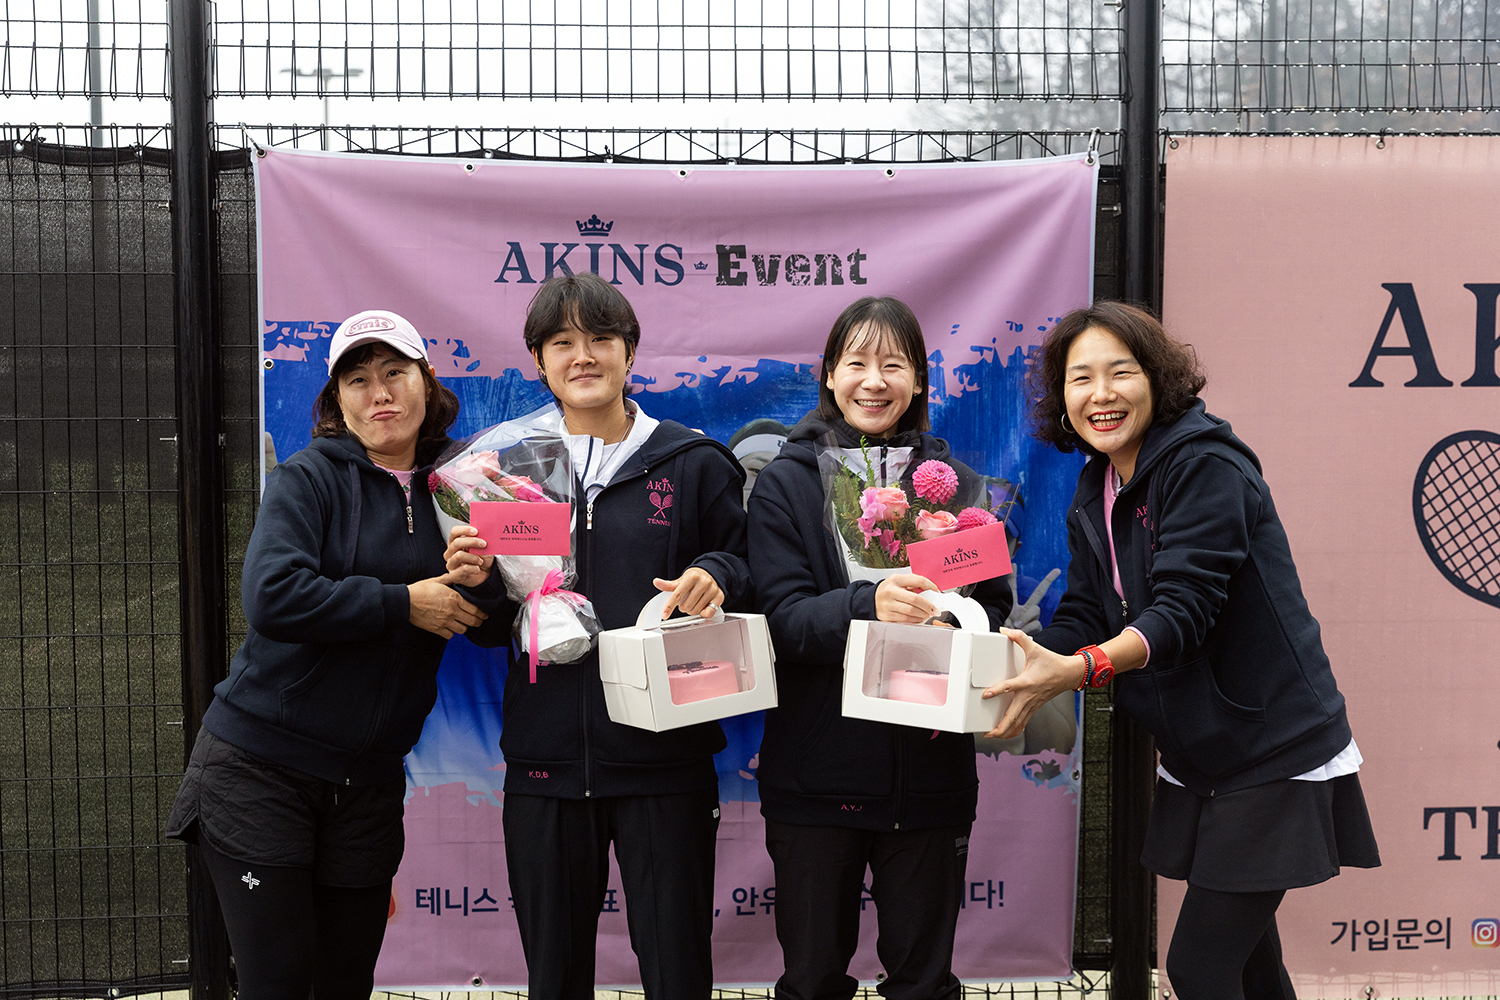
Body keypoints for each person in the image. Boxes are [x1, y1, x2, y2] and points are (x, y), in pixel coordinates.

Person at [986, 301, 1380, 1000]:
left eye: (1120, 372)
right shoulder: (1096, 483)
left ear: (1157, 379)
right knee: (1253, 966)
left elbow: (1182, 612)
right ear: (1062, 397)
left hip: (1274, 748)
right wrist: (1018, 663)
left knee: (1197, 969)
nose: (1100, 394)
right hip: (1205, 753)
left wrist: (1081, 669)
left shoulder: (1203, 465)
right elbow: (1084, 608)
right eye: (1080, 379)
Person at [166, 309, 509, 999]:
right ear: (337, 402)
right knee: (282, 984)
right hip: (260, 771)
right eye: (358, 380)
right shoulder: (309, 478)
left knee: (345, 983)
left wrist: (485, 582)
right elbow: (273, 597)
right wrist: (402, 603)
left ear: (426, 382)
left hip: (369, 785)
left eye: (393, 373)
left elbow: (493, 627)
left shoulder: (465, 485)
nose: (378, 392)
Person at [444, 272, 750, 1000]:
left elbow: (751, 567)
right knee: (554, 976)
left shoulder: (691, 460)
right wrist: (479, 579)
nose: (584, 357)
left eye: (601, 340)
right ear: (538, 360)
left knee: (678, 971)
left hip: (665, 762)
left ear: (630, 352)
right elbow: (494, 631)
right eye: (562, 343)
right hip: (545, 761)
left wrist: (715, 573)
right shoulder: (502, 470)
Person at [746, 296, 1013, 1000]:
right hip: (815, 780)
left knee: (924, 983)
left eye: (893, 364)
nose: (874, 381)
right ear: (830, 376)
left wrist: (952, 619)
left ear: (920, 380)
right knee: (810, 981)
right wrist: (869, 603)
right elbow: (780, 620)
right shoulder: (786, 484)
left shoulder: (957, 490)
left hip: (927, 776)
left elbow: (993, 605)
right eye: (856, 363)